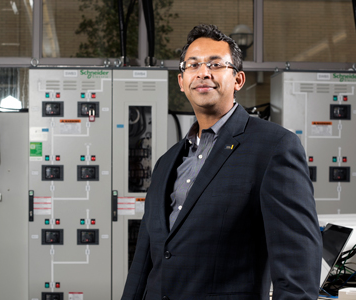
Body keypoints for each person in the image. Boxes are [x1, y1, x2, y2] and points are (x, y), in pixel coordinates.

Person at [121, 24, 322, 300]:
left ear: (238, 80)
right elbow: (144, 260)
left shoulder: (274, 148)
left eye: (215, 64)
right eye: (193, 65)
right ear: (182, 81)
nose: (203, 72)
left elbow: (297, 272)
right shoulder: (166, 162)